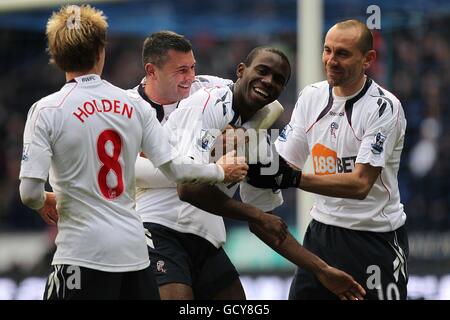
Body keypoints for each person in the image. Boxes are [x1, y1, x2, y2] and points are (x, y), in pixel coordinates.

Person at [18, 6, 248, 300]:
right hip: (134, 255)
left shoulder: (47, 110)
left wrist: (43, 201)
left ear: (55, 53)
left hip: (82, 253)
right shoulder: (132, 106)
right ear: (101, 51)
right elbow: (175, 168)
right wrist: (219, 171)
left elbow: (28, 192)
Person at [134, 32, 365, 300]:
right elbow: (188, 189)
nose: (268, 82)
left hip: (203, 237)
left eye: (278, 80)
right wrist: (254, 215)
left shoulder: (258, 143)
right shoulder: (209, 103)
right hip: (159, 227)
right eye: (263, 71)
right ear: (241, 71)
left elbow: (268, 224)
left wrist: (322, 270)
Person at [247, 19, 408, 300]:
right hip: (320, 236)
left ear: (368, 59)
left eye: (343, 54)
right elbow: (286, 164)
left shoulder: (384, 107)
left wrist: (292, 178)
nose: (331, 61)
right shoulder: (311, 96)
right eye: (327, 50)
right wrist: (246, 154)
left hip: (374, 238)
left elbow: (360, 185)